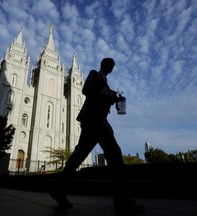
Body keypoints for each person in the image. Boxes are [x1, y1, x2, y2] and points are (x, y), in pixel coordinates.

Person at [50, 58, 145, 214]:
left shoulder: (106, 84)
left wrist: (113, 99)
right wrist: (106, 94)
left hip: (99, 121)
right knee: (110, 155)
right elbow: (86, 90)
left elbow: (102, 98)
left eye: (112, 65)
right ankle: (122, 200)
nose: (110, 67)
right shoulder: (95, 74)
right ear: (103, 65)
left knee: (85, 156)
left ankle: (58, 189)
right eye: (108, 64)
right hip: (94, 120)